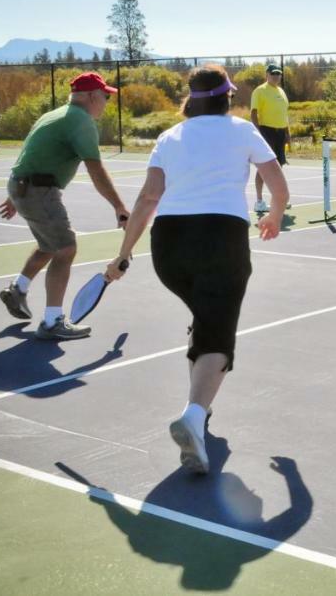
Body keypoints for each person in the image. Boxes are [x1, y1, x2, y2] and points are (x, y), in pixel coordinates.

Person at [105, 64, 288, 475]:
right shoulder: (242, 131)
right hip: (220, 238)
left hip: (168, 247)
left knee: (205, 321)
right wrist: (273, 216)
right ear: (228, 98)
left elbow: (149, 198)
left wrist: (123, 254)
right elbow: (278, 185)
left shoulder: (169, 137)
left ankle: (199, 418)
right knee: (219, 334)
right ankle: (192, 414)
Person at [0, 71, 129, 340]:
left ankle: (18, 289)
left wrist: (16, 195)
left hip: (23, 185)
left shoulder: (53, 115)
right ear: (92, 96)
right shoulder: (81, 121)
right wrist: (118, 206)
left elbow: (31, 153)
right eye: (105, 96)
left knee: (50, 245)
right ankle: (52, 322)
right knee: (65, 248)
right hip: (38, 190)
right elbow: (96, 169)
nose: (106, 102)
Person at [250, 64, 290, 214]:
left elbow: (284, 115)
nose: (276, 76)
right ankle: (259, 202)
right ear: (267, 74)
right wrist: (258, 133)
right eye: (273, 73)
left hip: (280, 133)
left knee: (278, 166)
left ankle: (277, 200)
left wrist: (287, 134)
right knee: (264, 167)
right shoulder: (260, 91)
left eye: (279, 74)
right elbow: (253, 113)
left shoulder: (281, 91)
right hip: (266, 131)